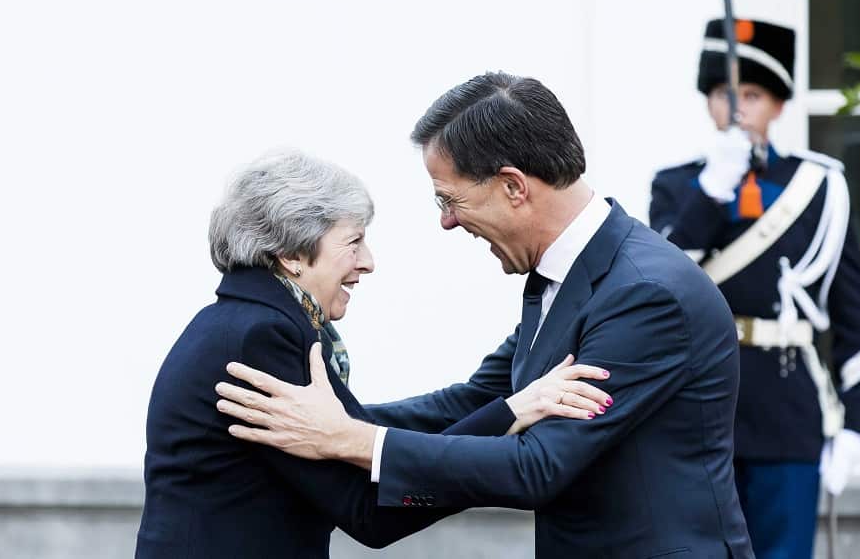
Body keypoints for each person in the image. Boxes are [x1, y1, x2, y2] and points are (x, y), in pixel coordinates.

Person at [215, 72, 754, 558]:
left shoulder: (645, 295)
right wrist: (316, 418)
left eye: (449, 200)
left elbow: (537, 465)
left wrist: (348, 440)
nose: (447, 222)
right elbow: (474, 401)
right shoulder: (570, 275)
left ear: (513, 186)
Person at [136, 150, 612, 558]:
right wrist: (513, 414)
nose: (368, 262)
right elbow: (370, 513)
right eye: (353, 241)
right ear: (292, 255)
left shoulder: (235, 323)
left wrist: (359, 434)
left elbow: (347, 431)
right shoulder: (262, 337)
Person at [649, 18, 860, 558]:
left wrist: (855, 424)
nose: (737, 109)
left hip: (786, 409)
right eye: (724, 95)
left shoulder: (819, 188)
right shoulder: (677, 187)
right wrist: (712, 191)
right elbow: (660, 281)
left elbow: (853, 314)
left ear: (779, 105)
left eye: (752, 95)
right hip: (698, 405)